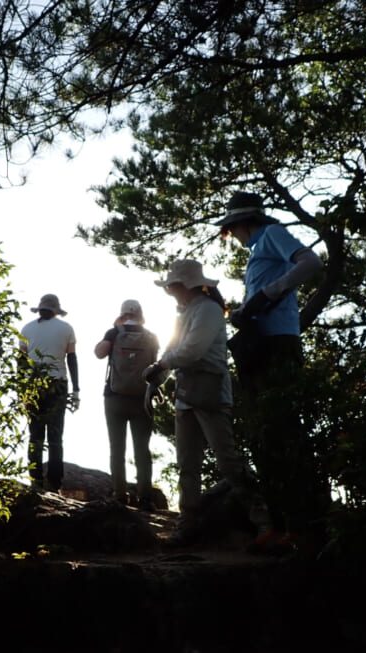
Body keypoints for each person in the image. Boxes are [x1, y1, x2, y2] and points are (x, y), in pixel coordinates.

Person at [215, 190, 327, 553]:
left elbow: (311, 263)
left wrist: (269, 292)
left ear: (243, 222)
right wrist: (247, 308)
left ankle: (303, 528)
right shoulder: (258, 247)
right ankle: (284, 527)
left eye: (233, 228)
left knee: (283, 432)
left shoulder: (272, 233)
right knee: (267, 434)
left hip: (278, 344)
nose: (234, 236)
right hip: (263, 344)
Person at [141, 260, 251, 545]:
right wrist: (158, 378)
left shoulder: (209, 310)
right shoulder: (187, 312)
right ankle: (188, 523)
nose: (170, 291)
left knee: (227, 459)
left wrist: (162, 364)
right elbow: (175, 350)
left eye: (172, 286)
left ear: (182, 286)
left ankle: (261, 519)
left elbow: (193, 350)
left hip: (209, 389)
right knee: (187, 463)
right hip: (188, 393)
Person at [93, 299, 160, 509]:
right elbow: (157, 365)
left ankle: (120, 495)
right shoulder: (151, 336)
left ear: (122, 315)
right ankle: (145, 498)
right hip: (142, 398)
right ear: (141, 315)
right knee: (142, 449)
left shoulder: (114, 333)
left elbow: (99, 353)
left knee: (117, 448)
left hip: (114, 397)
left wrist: (114, 329)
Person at [19, 293, 79, 492]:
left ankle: (35, 480)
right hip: (57, 384)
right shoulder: (66, 328)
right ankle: (54, 483)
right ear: (56, 310)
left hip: (33, 384)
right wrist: (76, 388)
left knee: (35, 434)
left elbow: (21, 362)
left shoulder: (26, 329)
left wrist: (22, 390)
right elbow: (71, 359)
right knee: (55, 436)